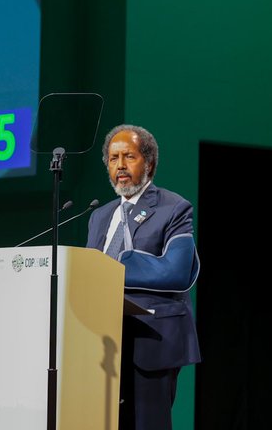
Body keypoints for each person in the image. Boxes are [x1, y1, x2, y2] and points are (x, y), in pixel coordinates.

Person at [86, 124, 200, 430]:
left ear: (148, 163)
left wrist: (116, 267)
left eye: (129, 156)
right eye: (113, 159)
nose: (120, 165)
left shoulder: (173, 208)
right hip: (103, 342)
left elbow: (177, 272)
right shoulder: (99, 215)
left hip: (151, 340)